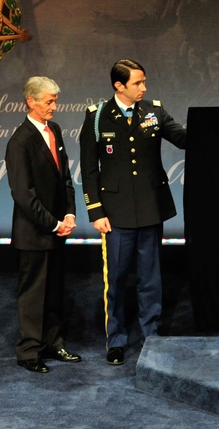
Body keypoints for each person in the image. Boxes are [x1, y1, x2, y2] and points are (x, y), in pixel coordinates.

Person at [80, 59, 187, 366]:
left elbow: (182, 138)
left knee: (151, 279)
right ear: (119, 86)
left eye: (144, 82)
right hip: (114, 214)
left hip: (150, 209)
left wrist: (213, 126)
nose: (144, 87)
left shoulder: (154, 111)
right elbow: (89, 169)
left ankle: (151, 337)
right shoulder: (98, 116)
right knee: (115, 280)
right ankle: (116, 340)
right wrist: (95, 210)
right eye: (138, 83)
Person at [5, 76, 81, 374]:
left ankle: (53, 342)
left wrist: (71, 214)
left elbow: (65, 179)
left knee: (54, 290)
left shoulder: (55, 131)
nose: (54, 106)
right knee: (33, 295)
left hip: (58, 230)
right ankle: (29, 351)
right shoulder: (20, 141)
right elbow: (24, 195)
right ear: (31, 102)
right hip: (34, 233)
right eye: (48, 102)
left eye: (55, 101)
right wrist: (54, 224)